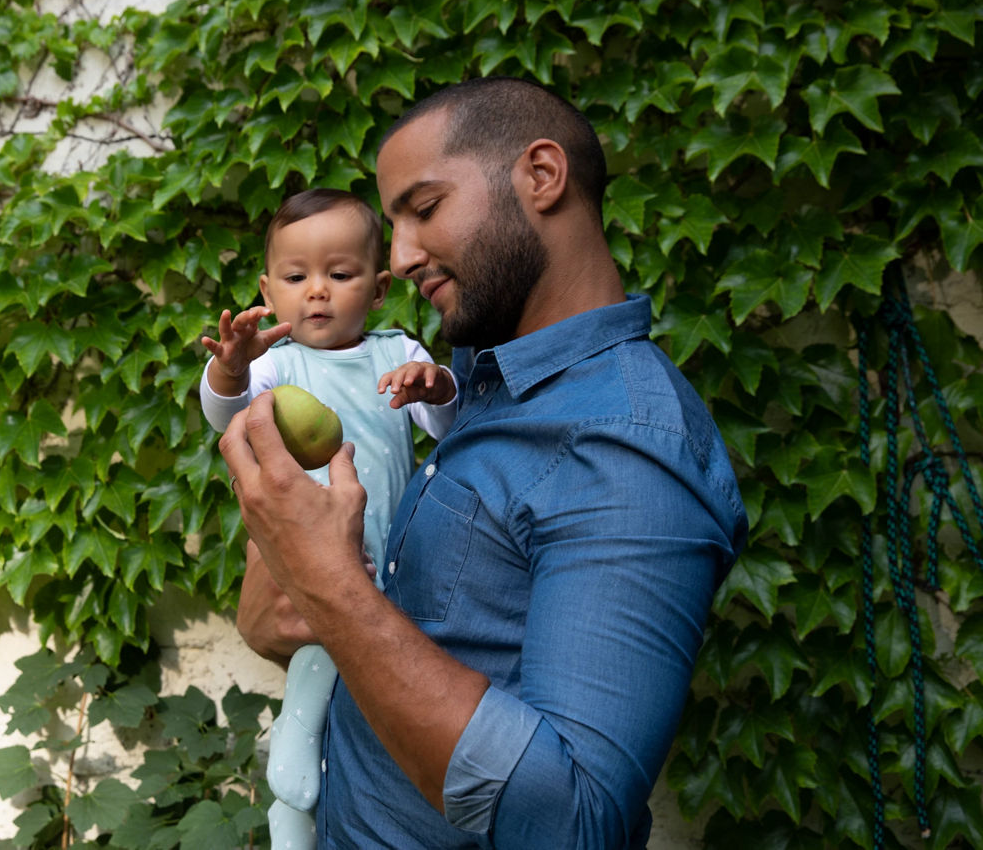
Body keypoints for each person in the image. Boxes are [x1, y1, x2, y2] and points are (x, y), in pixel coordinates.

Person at [220, 77, 748, 849]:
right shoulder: (476, 383)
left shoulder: (628, 444)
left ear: (541, 177)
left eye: (424, 209)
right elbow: (418, 631)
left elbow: (576, 821)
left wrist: (330, 588)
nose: (397, 259)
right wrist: (296, 594)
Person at [199, 187, 458, 848]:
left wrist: (437, 388)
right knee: (321, 652)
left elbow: (448, 422)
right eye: (295, 277)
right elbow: (227, 420)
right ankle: (290, 795)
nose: (317, 291)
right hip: (314, 557)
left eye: (339, 275)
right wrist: (229, 372)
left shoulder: (395, 354)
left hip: (391, 561)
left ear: (376, 291)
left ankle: (326, 783)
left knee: (382, 688)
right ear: (267, 289)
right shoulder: (275, 365)